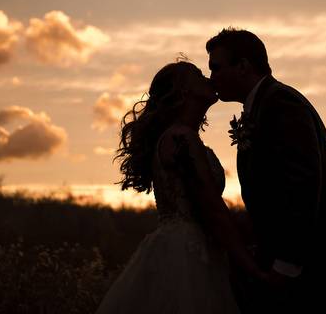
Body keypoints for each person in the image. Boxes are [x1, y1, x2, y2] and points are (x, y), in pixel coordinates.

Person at [207, 28, 326, 313]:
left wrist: (285, 264)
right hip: (308, 261)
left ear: (243, 66)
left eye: (216, 68)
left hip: (323, 263)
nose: (211, 78)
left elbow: (301, 185)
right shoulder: (264, 105)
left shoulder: (281, 104)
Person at [96, 60, 270, 314]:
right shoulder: (180, 139)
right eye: (198, 75)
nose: (209, 78)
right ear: (183, 91)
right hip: (186, 257)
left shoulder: (179, 138)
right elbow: (212, 208)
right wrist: (250, 266)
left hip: (189, 247)